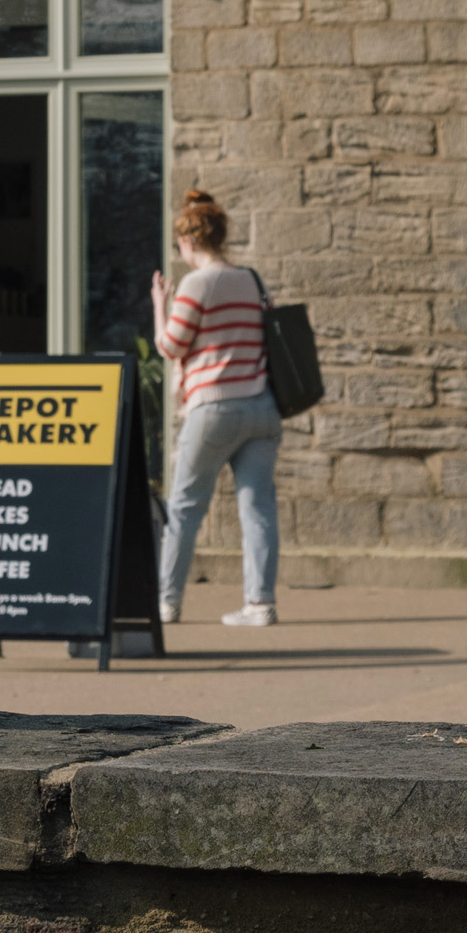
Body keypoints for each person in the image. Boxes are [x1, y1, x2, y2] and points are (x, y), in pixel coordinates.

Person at [148, 191, 283, 629]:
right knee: (258, 508)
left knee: (185, 507)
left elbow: (170, 346)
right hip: (262, 406)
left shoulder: (196, 284)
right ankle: (259, 604)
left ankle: (167, 602)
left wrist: (158, 308)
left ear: (187, 242)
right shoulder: (252, 280)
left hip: (214, 408)